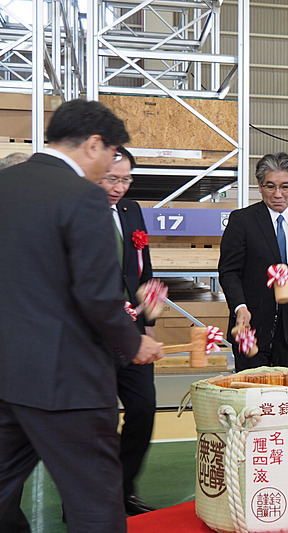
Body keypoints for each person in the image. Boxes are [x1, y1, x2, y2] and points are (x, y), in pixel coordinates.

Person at [0, 98, 163, 533]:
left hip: (7, 375)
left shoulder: (6, 185)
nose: (112, 168)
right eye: (112, 155)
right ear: (94, 144)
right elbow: (94, 294)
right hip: (66, 382)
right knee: (94, 502)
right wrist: (133, 343)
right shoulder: (82, 198)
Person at [97, 147, 159, 515]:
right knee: (99, 419)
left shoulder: (131, 210)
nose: (118, 187)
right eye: (111, 178)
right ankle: (90, 497)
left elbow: (142, 265)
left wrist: (149, 319)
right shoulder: (80, 210)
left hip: (134, 329)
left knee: (143, 409)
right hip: (95, 334)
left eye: (125, 179)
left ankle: (123, 487)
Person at [219, 152, 288, 371]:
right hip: (250, 326)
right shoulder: (242, 221)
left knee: (286, 393)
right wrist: (240, 307)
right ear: (259, 185)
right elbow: (229, 272)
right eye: (270, 186)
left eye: (285, 186)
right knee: (252, 393)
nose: (278, 194)